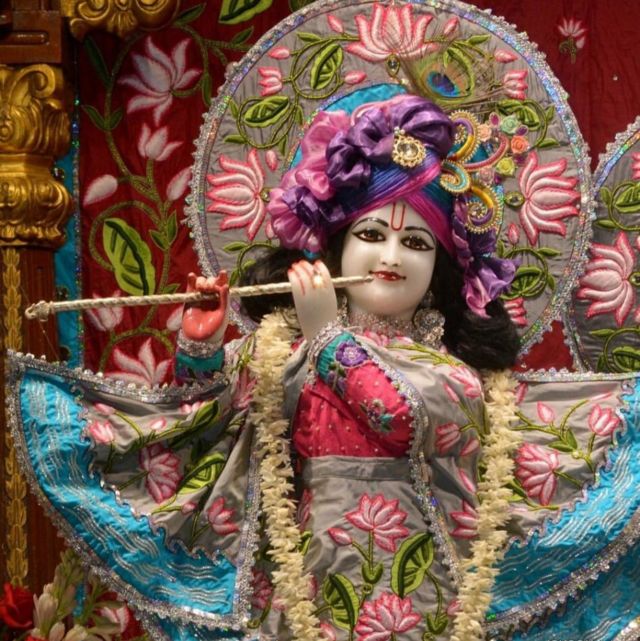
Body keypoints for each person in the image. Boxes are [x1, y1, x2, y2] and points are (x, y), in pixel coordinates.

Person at [173, 94, 520, 640]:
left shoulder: (453, 374)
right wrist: (203, 346)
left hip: (423, 600)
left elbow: (398, 416)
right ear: (335, 249)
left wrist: (326, 336)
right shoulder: (281, 351)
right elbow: (208, 427)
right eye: (372, 235)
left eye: (415, 242)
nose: (391, 257)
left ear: (440, 269)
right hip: (303, 590)